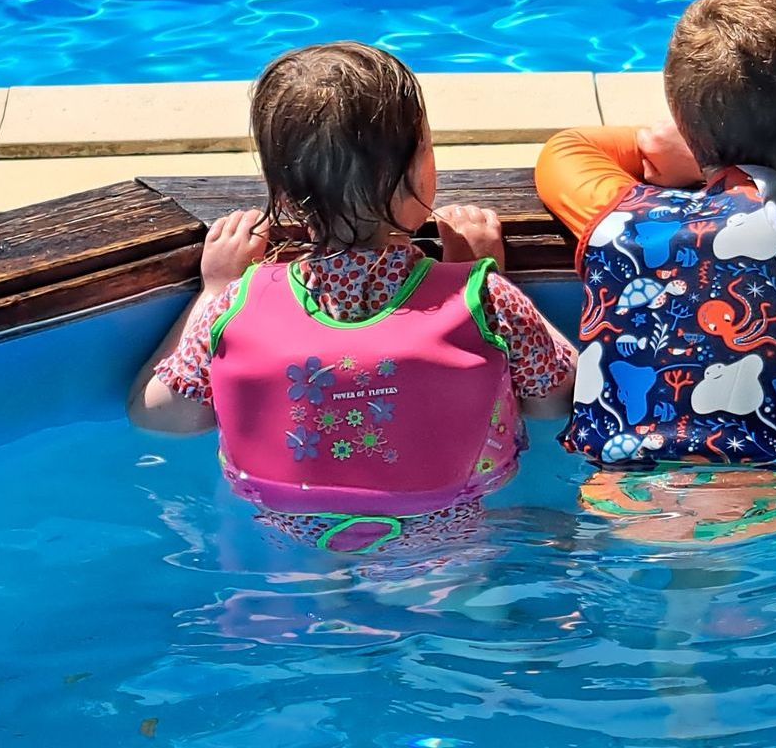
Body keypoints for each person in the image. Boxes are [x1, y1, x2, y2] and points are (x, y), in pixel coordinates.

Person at [128, 41, 576, 554]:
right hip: (448, 524)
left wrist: (209, 292)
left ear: (281, 188)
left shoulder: (234, 305)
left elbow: (161, 418)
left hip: (285, 530)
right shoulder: (485, 300)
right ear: (416, 172)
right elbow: (556, 402)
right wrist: (482, 272)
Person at [536, 0, 776, 481]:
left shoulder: (624, 220)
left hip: (621, 492)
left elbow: (565, 151)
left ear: (687, 131)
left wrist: (704, 149)